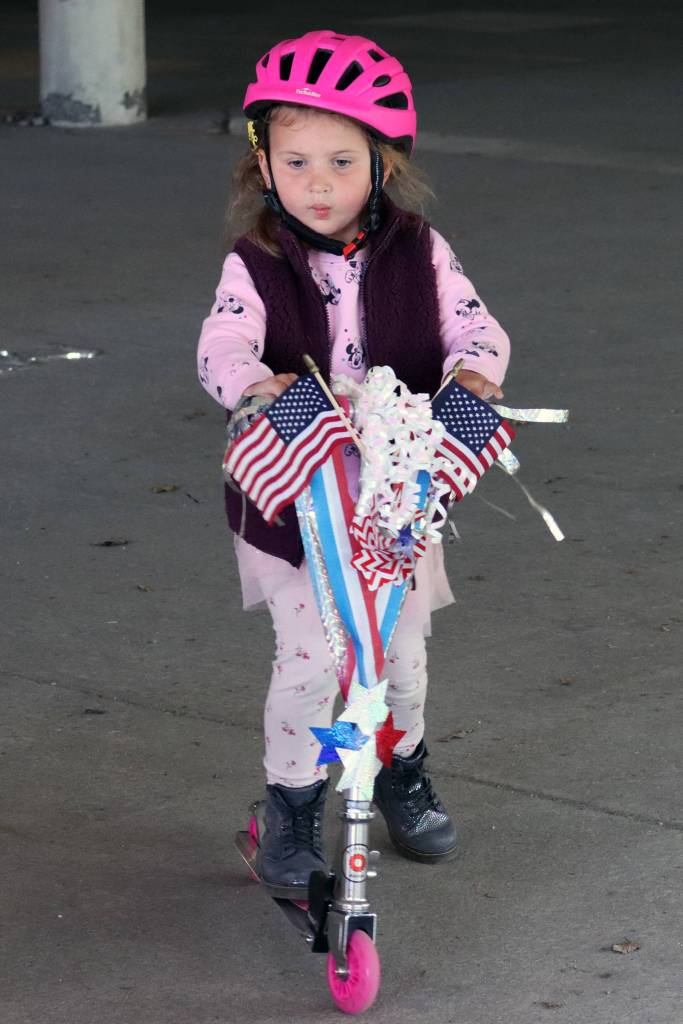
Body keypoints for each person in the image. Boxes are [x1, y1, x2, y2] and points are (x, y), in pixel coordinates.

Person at [197, 30, 510, 892]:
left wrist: (472, 376)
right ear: (263, 166)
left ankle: (399, 766)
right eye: (296, 162)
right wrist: (254, 386)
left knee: (399, 655)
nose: (320, 183)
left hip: (396, 495)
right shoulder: (256, 262)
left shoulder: (421, 251)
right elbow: (224, 340)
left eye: (342, 160)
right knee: (311, 658)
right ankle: (292, 805)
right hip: (296, 497)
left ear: (382, 163)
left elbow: (476, 330)